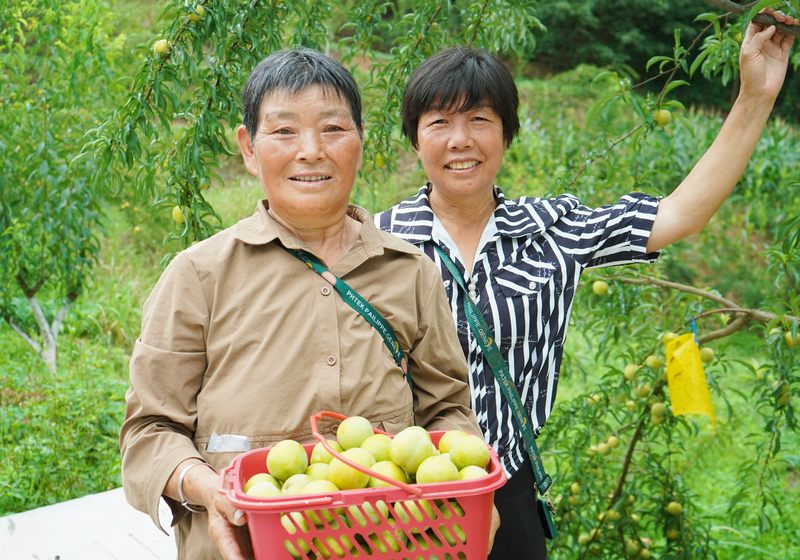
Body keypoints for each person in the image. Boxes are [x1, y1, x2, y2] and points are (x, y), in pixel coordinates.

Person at [375, 10, 797, 559]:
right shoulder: (378, 241)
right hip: (395, 493)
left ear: (507, 133)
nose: (461, 140)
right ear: (414, 139)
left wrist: (755, 97)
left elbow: (681, 214)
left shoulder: (553, 231)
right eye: (439, 123)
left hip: (507, 489)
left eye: (480, 120)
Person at [119, 48, 491, 559]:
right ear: (249, 148)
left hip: (386, 546)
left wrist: (464, 487)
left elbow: (447, 409)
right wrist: (212, 493)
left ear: (361, 142)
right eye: (284, 131)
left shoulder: (411, 274)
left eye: (334, 129)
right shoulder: (198, 275)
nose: (311, 150)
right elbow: (149, 432)